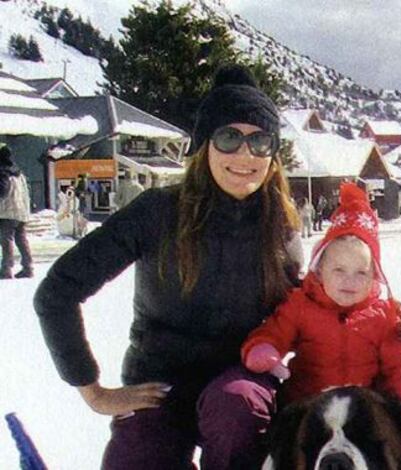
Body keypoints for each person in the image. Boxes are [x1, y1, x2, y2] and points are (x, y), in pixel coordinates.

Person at [34, 64, 305, 469]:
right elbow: (57, 292)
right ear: (203, 146)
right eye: (229, 137)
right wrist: (94, 391)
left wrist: (371, 325)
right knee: (139, 455)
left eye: (260, 141)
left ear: (273, 154)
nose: (244, 154)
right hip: (161, 382)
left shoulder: (279, 225)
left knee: (235, 408)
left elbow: (305, 308)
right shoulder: (157, 213)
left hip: (242, 381)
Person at [241, 182, 401, 417]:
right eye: (339, 270)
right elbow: (276, 330)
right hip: (307, 408)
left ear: (375, 277)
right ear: (319, 271)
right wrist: (264, 348)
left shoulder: (383, 316)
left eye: (361, 272)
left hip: (359, 413)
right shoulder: (301, 304)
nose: (350, 281)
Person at [0, 144, 34, 279]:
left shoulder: (2, 171)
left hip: (7, 211)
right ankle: (28, 267)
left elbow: (2, 191)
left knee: (6, 239)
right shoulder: (19, 172)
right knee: (21, 238)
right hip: (21, 211)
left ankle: (6, 269)